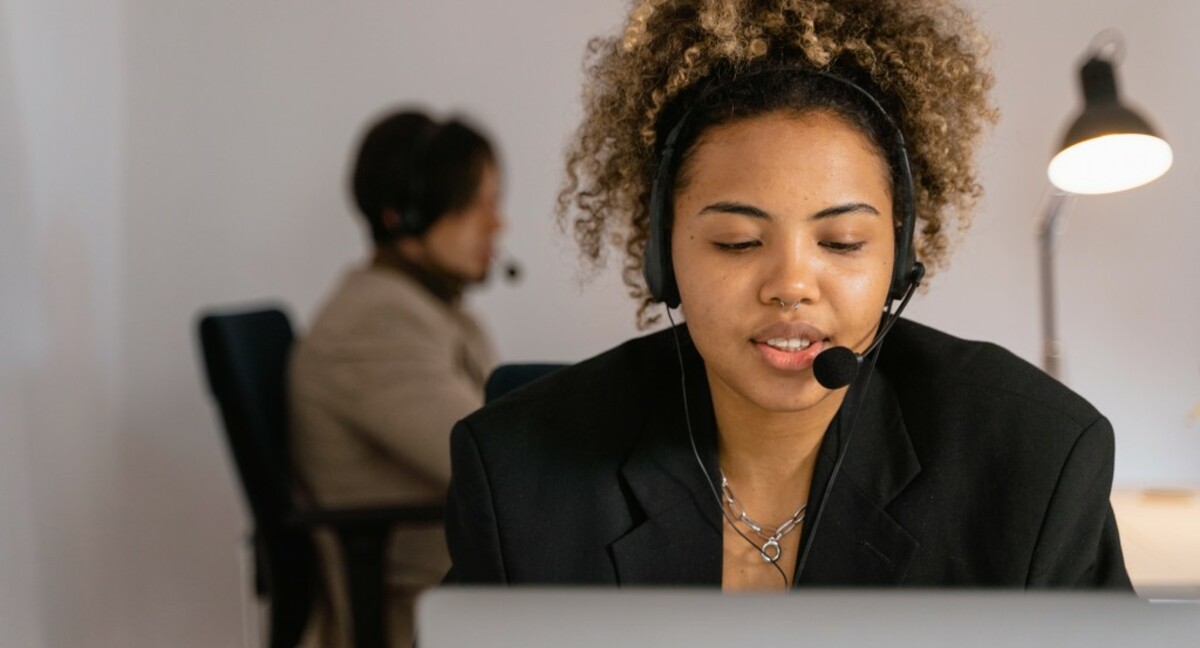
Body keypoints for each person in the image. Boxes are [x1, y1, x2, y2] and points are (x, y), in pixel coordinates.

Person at [443, 0, 1130, 591]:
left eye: (842, 243)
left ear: (899, 260)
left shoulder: (1036, 464)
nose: (792, 287)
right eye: (739, 242)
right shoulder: (517, 475)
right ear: (662, 253)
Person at [290, 108, 503, 645]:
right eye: (476, 204)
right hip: (423, 613)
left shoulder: (429, 310)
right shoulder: (377, 322)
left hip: (465, 592)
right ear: (405, 214)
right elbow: (495, 465)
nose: (496, 224)